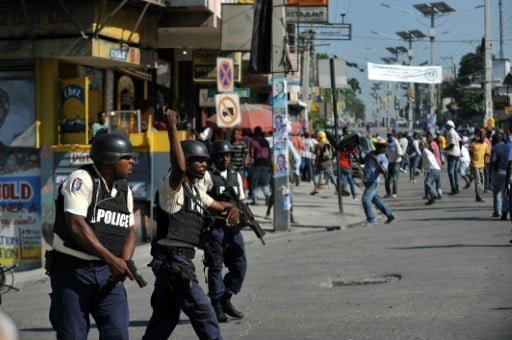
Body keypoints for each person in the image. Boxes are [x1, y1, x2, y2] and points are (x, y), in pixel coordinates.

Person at [143, 108, 239, 340]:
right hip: (173, 262)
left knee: (164, 321)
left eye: (206, 161)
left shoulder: (195, 192)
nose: (204, 165)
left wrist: (233, 208)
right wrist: (172, 128)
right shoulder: (171, 187)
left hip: (178, 261)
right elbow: (179, 168)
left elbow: (218, 205)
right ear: (186, 161)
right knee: (205, 315)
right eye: (198, 161)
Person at [47, 133, 137, 339]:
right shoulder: (81, 180)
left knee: (118, 333)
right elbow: (76, 225)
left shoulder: (124, 190)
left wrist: (123, 262)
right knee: (73, 335)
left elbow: (129, 230)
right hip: (73, 271)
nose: (132, 161)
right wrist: (112, 260)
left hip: (108, 274)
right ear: (109, 159)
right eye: (127, 157)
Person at [197, 140, 247, 323]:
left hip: (233, 230)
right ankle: (216, 304)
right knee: (215, 266)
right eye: (221, 156)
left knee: (240, 265)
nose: (225, 159)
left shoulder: (236, 176)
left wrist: (243, 215)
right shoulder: (207, 176)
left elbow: (241, 201)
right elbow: (200, 200)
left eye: (227, 155)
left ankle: (226, 298)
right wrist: (221, 209)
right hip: (214, 229)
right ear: (214, 158)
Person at [361, 137, 395, 227]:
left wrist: (376, 161)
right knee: (376, 199)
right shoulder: (370, 153)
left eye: (383, 146)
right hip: (367, 180)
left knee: (365, 200)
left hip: (373, 181)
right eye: (379, 146)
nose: (381, 148)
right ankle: (390, 214)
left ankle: (371, 219)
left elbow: (384, 171)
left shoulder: (384, 158)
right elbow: (362, 161)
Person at [247, 127, 271, 205]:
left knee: (255, 181)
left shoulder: (253, 142)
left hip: (257, 163)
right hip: (266, 163)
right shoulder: (266, 141)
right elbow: (269, 152)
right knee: (264, 181)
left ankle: (255, 199)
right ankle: (268, 195)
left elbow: (251, 153)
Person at [490, 132, 510, 219]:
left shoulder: (495, 148)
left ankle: (497, 211)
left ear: (495, 139)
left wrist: (490, 172)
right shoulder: (508, 147)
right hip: (508, 172)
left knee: (496, 192)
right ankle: (504, 211)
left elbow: (493, 160)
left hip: (498, 172)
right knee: (505, 192)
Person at [470, 130, 491, 202]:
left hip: (482, 165)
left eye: (484, 136)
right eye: (482, 136)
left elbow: (487, 154)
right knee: (478, 181)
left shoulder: (485, 145)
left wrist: (486, 163)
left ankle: (478, 196)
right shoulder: (474, 144)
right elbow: (471, 152)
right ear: (479, 136)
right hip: (475, 164)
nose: (483, 137)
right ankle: (479, 197)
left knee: (482, 181)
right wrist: (472, 162)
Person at [420, 141, 441, 205]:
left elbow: (429, 160)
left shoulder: (425, 152)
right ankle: (431, 199)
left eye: (420, 145)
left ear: (424, 146)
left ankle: (434, 194)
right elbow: (424, 162)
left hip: (433, 169)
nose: (419, 147)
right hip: (436, 169)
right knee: (428, 184)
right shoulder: (426, 151)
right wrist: (422, 169)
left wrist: (429, 168)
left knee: (427, 183)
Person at [445, 120, 461, 195]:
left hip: (452, 153)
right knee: (455, 172)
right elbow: (460, 142)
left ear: (449, 126)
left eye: (447, 125)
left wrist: (445, 149)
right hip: (457, 153)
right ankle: (456, 188)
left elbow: (452, 144)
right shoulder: (455, 132)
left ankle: (454, 189)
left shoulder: (450, 132)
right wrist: (459, 150)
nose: (446, 127)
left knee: (450, 172)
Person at [384, 132, 403, 199]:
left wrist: (395, 159)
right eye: (388, 136)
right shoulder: (387, 144)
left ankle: (394, 193)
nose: (389, 137)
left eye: (390, 136)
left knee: (395, 179)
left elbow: (400, 154)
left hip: (396, 163)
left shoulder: (396, 143)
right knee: (387, 179)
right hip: (390, 163)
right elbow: (386, 154)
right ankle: (388, 193)